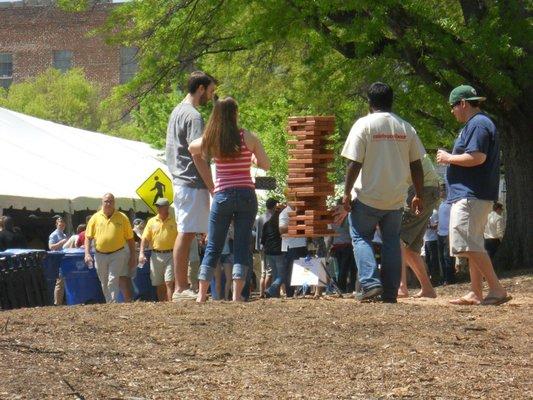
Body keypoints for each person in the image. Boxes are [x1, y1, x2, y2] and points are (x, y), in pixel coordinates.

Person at [341, 82, 424, 303]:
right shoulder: (406, 127)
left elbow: (354, 163)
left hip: (368, 196)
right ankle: (389, 292)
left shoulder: (364, 125)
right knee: (391, 241)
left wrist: (346, 192)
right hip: (396, 198)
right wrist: (418, 193)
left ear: (369, 102)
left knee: (360, 237)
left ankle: (370, 283)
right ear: (391, 101)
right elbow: (416, 164)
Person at [189, 96, 270, 302]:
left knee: (214, 245)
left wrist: (209, 180)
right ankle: (236, 295)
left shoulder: (213, 139)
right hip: (245, 194)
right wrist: (252, 159)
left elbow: (192, 148)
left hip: (222, 194)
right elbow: (266, 164)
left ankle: (201, 295)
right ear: (235, 113)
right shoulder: (248, 137)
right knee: (242, 244)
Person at [437, 85, 510, 306]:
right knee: (473, 243)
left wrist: (449, 158)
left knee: (467, 244)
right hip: (474, 195)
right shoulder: (477, 124)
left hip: (471, 195)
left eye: (453, 106)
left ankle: (497, 289)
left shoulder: (478, 124)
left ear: (463, 103)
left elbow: (477, 157)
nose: (452, 111)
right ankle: (475, 292)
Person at [165, 71, 217, 301]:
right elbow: (197, 155)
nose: (211, 96)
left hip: (181, 180)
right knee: (185, 233)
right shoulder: (194, 116)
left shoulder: (177, 111)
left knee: (187, 232)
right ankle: (181, 288)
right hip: (191, 181)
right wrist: (212, 185)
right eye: (211, 91)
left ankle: (182, 286)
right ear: (201, 88)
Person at [84, 193, 136, 303]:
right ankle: (110, 304)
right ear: (102, 203)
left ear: (114, 203)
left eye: (110, 201)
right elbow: (88, 237)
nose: (108, 203)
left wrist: (133, 255)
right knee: (103, 280)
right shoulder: (95, 218)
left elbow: (130, 239)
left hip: (118, 254)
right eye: (106, 201)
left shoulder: (122, 217)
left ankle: (113, 304)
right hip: (99, 254)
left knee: (113, 279)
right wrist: (87, 254)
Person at [139, 198, 177, 301]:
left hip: (171, 254)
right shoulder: (151, 221)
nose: (158, 208)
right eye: (157, 206)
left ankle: (170, 304)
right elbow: (145, 238)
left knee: (169, 282)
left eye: (160, 206)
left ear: (167, 208)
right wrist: (141, 253)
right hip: (156, 255)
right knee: (159, 283)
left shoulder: (175, 220)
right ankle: (162, 306)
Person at [328, 199, 357, 294]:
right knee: (349, 268)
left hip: (336, 246)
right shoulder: (348, 216)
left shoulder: (333, 217)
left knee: (340, 269)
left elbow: (331, 234)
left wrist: (329, 247)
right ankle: (347, 288)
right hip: (347, 246)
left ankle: (341, 288)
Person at [260, 199, 284, 298]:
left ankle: (275, 294)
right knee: (282, 275)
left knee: (274, 274)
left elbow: (263, 240)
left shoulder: (266, 224)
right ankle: (270, 290)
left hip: (269, 252)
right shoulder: (280, 225)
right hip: (278, 251)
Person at [437, 185, 455, 285]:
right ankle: (444, 277)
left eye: (443, 190)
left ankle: (450, 278)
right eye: (440, 191)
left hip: (448, 234)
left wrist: (450, 232)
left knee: (447, 256)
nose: (441, 192)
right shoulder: (441, 204)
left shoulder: (451, 204)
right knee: (441, 257)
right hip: (440, 233)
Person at [48, 216, 68, 305]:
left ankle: (63, 301)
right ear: (56, 224)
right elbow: (51, 247)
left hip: (64, 260)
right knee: (59, 282)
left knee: (63, 281)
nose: (62, 225)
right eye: (60, 223)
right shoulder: (54, 235)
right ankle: (57, 303)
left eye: (63, 224)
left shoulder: (64, 235)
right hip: (58, 260)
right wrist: (62, 242)